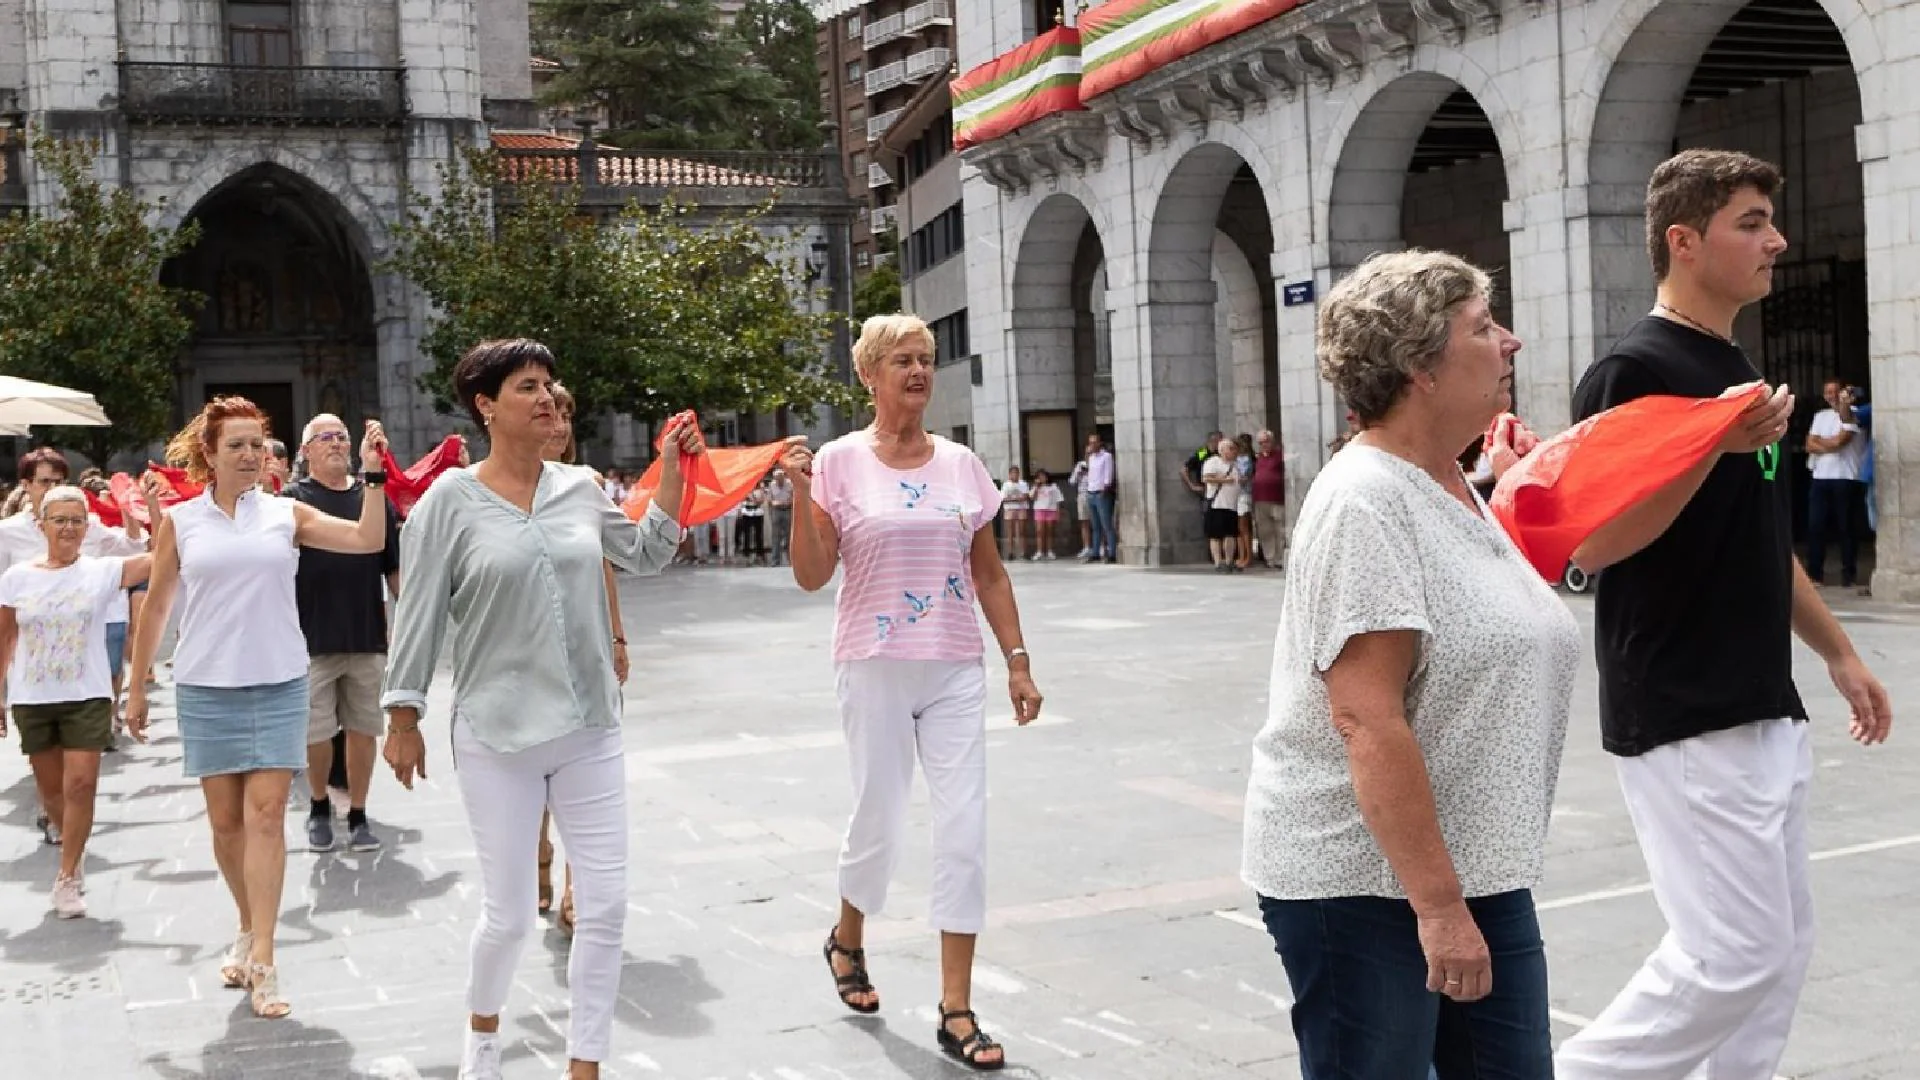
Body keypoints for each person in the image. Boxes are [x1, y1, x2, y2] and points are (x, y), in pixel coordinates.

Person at [1554, 149, 1892, 1079]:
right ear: (1684, 240)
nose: (1775, 240)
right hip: (1683, 701)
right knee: (1732, 954)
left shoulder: (1734, 366)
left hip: (1759, 699)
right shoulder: (1636, 368)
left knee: (1777, 957)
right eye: (1750, 222)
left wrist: (1837, 653)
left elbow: (1759, 541)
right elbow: (1594, 543)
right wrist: (1713, 444)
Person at [1242, 249, 1577, 1077]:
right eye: (1482, 327)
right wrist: (1438, 908)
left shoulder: (1452, 485)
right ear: (1420, 366)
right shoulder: (1365, 499)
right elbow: (1366, 717)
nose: (1510, 342)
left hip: (1479, 870)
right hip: (1367, 884)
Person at [380, 341, 697, 1080]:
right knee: (512, 916)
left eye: (552, 385)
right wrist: (403, 714)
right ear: (487, 406)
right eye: (529, 387)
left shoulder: (580, 487)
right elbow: (419, 614)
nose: (549, 398)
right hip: (498, 733)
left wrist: (674, 474)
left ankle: (584, 1064)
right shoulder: (447, 504)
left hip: (589, 725)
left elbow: (647, 553)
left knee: (608, 908)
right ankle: (483, 1032)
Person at [783, 313, 1042, 1071]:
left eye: (927, 359)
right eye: (903, 360)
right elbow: (810, 574)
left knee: (963, 832)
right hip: (873, 663)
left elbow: (989, 571)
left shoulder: (962, 465)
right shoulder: (836, 461)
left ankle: (956, 1009)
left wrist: (1018, 661)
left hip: (955, 664)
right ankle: (848, 937)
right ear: (869, 375)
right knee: (880, 818)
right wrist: (802, 496)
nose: (919, 372)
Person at [126, 397, 390, 1020]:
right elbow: (158, 607)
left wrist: (375, 476)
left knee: (268, 815)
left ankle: (265, 957)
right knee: (226, 825)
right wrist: (136, 684)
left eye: (257, 445)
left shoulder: (285, 514)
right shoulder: (182, 522)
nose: (250, 455)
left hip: (278, 681)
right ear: (209, 455)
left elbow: (367, 539)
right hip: (206, 686)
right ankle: (246, 925)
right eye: (236, 446)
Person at [0, 483, 157, 918]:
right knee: (52, 793)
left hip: (86, 694)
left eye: (76, 521)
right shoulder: (16, 578)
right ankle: (73, 844)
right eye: (60, 521)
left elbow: (162, 558)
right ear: (41, 525)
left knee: (81, 784)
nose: (68, 528)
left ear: (87, 527)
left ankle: (67, 876)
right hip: (33, 698)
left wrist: (157, 511)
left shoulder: (101, 571)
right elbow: (6, 636)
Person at [0, 448, 149, 823]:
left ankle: (70, 849)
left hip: (91, 628)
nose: (51, 486)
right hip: (33, 653)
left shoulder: (85, 521)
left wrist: (133, 510)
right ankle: (54, 814)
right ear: (26, 485)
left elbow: (136, 547)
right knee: (49, 776)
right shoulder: (9, 535)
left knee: (80, 779)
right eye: (44, 481)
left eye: (57, 480)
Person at [533, 380, 631, 936]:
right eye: (554, 414)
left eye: (568, 416)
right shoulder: (496, 486)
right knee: (539, 772)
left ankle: (575, 886)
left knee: (583, 775)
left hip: (584, 645)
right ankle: (540, 852)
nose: (562, 425)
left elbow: (605, 564)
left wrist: (617, 636)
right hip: (530, 648)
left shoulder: (587, 485)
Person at [285, 414, 401, 855]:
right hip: (311, 637)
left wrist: (408, 621)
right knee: (316, 731)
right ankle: (317, 805)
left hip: (365, 632)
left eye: (342, 437)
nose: (335, 443)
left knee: (362, 728)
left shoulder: (373, 498)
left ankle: (357, 811)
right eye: (325, 437)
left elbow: (392, 567)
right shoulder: (292, 501)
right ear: (306, 451)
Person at [1803, 378, 1866, 588]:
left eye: (1835, 391)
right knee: (1815, 526)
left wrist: (1822, 442)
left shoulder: (1854, 413)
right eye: (1827, 392)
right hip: (1820, 477)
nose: (1831, 396)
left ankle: (1849, 574)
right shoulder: (1820, 416)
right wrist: (1828, 444)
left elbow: (1842, 441)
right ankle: (1815, 574)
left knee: (1846, 528)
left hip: (1846, 478)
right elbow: (1809, 445)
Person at [1201, 437, 1243, 573]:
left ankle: (1229, 561)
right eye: (1230, 448)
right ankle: (1218, 562)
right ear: (1222, 450)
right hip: (1217, 504)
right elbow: (1206, 478)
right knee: (1216, 535)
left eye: (1233, 448)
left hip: (1232, 505)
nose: (1233, 451)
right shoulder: (1211, 460)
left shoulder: (1235, 465)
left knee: (1230, 534)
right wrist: (1224, 480)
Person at [1250, 430, 1286, 570]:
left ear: (1272, 441)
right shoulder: (1257, 458)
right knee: (1265, 530)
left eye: (1266, 441)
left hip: (1277, 498)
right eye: (1261, 442)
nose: (1264, 445)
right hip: (1260, 499)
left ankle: (1280, 558)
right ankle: (1269, 558)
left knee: (1279, 528)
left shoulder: (1280, 456)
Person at [1083, 433, 1117, 563]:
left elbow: (1108, 473)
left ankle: (1112, 552)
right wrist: (1087, 454)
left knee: (1106, 524)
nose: (1092, 445)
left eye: (1094, 442)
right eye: (1090, 443)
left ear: (1099, 443)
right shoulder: (1091, 458)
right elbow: (1089, 471)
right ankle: (1095, 552)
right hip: (1091, 491)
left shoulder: (1106, 456)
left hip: (1101, 492)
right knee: (1095, 526)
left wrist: (1106, 487)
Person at [1028, 469, 1064, 560]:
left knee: (1049, 531)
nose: (1042, 478)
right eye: (1039, 476)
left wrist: (1058, 513)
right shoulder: (1036, 487)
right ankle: (1039, 551)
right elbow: (1031, 497)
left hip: (1051, 510)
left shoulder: (1053, 486)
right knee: (1040, 531)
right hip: (1039, 509)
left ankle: (1049, 551)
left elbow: (1058, 500)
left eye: (1043, 476)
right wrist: (1036, 486)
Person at [998, 465, 1030, 561]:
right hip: (1009, 509)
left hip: (1021, 508)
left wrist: (1012, 499)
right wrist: (1016, 499)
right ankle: (1011, 552)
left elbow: (1025, 497)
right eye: (1012, 473)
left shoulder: (1023, 484)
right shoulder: (1006, 485)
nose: (1014, 475)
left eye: (1016, 473)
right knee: (1010, 531)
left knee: (1022, 531)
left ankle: (1023, 552)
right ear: (1009, 474)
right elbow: (1003, 498)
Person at [767, 467, 795, 567]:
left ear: (783, 476)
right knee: (776, 537)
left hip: (787, 510)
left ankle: (790, 560)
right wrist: (774, 503)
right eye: (777, 478)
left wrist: (789, 501)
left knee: (789, 536)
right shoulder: (772, 485)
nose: (779, 480)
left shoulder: (790, 484)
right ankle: (775, 561)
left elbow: (794, 497)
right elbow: (769, 500)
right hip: (776, 511)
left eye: (780, 478)